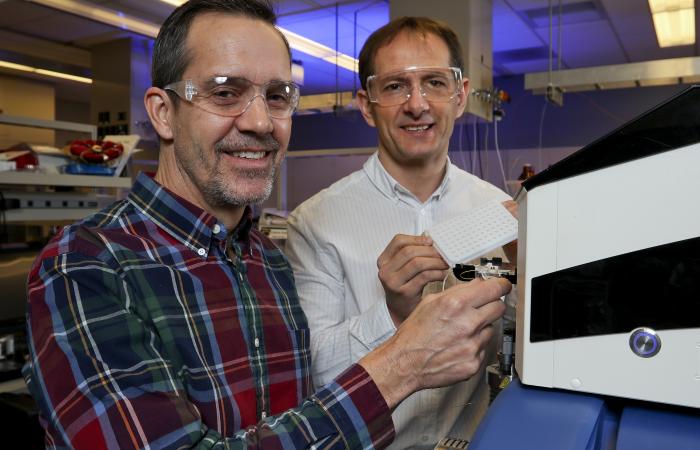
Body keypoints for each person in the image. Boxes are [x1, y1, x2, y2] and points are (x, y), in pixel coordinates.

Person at [23, 1, 511, 448]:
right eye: (226, 92)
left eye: (277, 96)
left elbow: (296, 419)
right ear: (163, 113)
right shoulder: (88, 265)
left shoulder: (265, 261)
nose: (260, 121)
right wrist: (399, 365)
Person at [285, 17, 517, 448]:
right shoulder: (316, 223)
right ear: (366, 104)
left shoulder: (496, 211)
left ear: (461, 95)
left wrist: (528, 276)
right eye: (394, 87)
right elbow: (315, 377)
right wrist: (391, 314)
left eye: (434, 82)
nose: (417, 104)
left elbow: (517, 340)